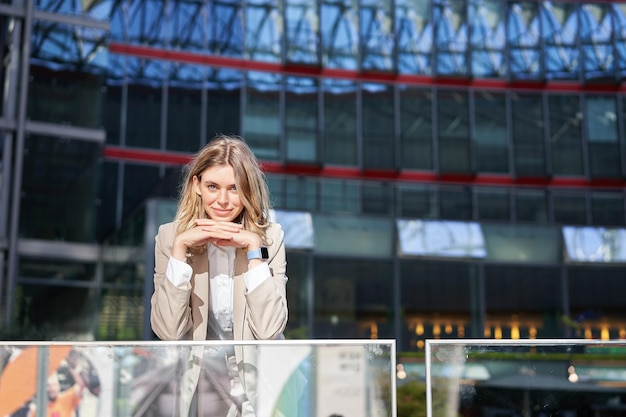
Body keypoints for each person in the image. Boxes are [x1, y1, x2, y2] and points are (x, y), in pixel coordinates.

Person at [150, 135, 288, 416]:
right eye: (213, 186)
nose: (223, 200)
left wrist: (253, 249)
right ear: (196, 185)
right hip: (201, 383)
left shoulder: (270, 238)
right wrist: (179, 250)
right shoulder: (169, 237)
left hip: (263, 380)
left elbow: (268, 329)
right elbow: (168, 332)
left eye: (234, 188)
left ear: (248, 190)